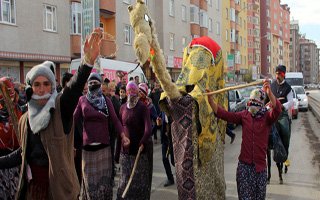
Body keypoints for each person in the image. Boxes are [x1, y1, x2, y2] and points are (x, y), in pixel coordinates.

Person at [0, 27, 103, 199]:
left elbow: (73, 89)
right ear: (30, 88)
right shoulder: (26, 119)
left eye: (46, 84)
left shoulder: (60, 109)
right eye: (37, 84)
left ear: (53, 86)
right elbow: (23, 153)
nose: (42, 89)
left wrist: (87, 63)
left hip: (59, 190)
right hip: (33, 189)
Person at [207, 80, 282, 200]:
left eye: (255, 102)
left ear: (261, 104)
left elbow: (278, 109)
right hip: (244, 168)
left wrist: (269, 92)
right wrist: (211, 101)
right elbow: (224, 114)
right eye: (251, 101)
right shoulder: (244, 115)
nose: (252, 104)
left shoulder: (267, 118)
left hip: (260, 169)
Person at [74, 73, 129, 200]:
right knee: (89, 185)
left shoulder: (106, 101)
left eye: (96, 82)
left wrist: (123, 136)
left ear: (100, 84)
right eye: (91, 82)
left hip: (104, 149)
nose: (93, 85)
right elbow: (73, 120)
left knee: (104, 185)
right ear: (87, 84)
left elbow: (115, 121)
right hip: (88, 151)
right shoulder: (82, 100)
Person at [116, 81, 152, 200]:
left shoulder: (142, 108)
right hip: (125, 154)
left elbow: (148, 129)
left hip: (139, 153)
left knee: (139, 184)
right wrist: (117, 154)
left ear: (137, 92)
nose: (131, 94)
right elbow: (119, 130)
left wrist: (142, 142)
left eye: (133, 91)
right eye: (129, 92)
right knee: (125, 182)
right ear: (126, 93)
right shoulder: (122, 108)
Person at [0, 77, 23, 200]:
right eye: (6, 91)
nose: (10, 96)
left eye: (11, 91)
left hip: (17, 163)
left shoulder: (20, 112)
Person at [270, 65, 293, 182]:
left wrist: (281, 106)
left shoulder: (288, 88)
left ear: (283, 74)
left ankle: (285, 157)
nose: (277, 76)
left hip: (282, 115)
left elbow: (291, 102)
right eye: (276, 73)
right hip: (273, 114)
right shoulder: (272, 85)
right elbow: (267, 99)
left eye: (279, 74)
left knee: (285, 132)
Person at [159, 111, 175, 187]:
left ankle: (182, 177)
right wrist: (158, 121)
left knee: (174, 161)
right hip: (165, 139)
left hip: (174, 139)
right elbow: (160, 119)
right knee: (164, 158)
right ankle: (170, 178)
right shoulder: (162, 110)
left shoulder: (174, 109)